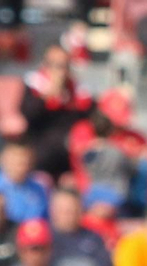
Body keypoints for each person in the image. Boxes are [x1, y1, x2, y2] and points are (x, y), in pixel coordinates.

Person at [19, 45, 93, 179]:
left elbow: (88, 117)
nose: (59, 71)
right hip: (42, 151)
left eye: (63, 65)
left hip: (69, 155)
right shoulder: (34, 85)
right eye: (53, 65)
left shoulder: (78, 91)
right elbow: (28, 115)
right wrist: (47, 97)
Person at [47, 188, 113, 266]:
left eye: (71, 210)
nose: (67, 215)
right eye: (62, 210)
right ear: (52, 211)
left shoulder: (94, 238)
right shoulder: (44, 238)